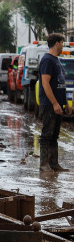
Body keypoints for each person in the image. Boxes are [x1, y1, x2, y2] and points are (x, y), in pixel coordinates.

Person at [38, 33, 69, 171]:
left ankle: (54, 164)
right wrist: (55, 103)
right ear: (57, 43)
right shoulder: (47, 60)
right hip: (49, 104)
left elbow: (60, 84)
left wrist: (65, 103)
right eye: (62, 42)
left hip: (58, 104)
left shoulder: (57, 60)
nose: (63, 45)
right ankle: (44, 164)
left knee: (54, 136)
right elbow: (45, 83)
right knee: (47, 135)